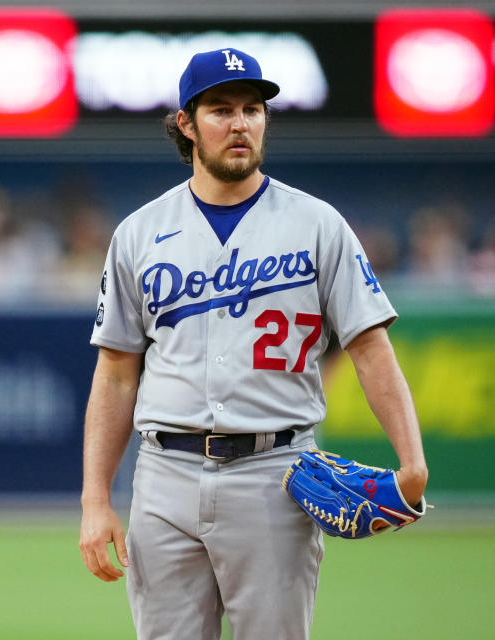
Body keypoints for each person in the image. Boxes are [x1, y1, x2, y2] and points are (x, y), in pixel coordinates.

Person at [78, 48, 428, 640]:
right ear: (185, 124)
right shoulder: (138, 233)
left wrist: (413, 462)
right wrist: (95, 500)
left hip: (275, 472)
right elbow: (115, 373)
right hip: (164, 474)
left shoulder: (318, 224)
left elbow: (370, 348)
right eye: (220, 109)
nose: (240, 123)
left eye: (252, 109)